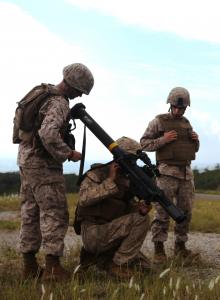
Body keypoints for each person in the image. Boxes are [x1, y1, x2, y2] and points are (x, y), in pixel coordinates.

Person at [16, 63, 94, 280]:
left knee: (30, 213)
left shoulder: (43, 93)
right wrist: (68, 153)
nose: (79, 96)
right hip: (43, 165)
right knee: (55, 213)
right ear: (73, 85)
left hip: (26, 159)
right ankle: (52, 267)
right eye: (80, 91)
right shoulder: (59, 103)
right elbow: (48, 133)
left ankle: (29, 267)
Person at [75, 137, 152, 278]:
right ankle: (118, 265)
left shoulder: (127, 180)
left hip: (111, 234)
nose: (133, 163)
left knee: (145, 268)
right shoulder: (97, 174)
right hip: (93, 233)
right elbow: (84, 200)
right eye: (130, 159)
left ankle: (99, 259)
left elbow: (122, 209)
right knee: (142, 220)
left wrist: (138, 209)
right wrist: (110, 180)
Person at [140, 87, 200, 263]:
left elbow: (192, 149)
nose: (177, 111)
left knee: (186, 213)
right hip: (166, 174)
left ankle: (180, 247)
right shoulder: (158, 122)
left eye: (181, 108)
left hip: (186, 175)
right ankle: (159, 249)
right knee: (163, 212)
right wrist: (163, 140)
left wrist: (196, 141)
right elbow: (143, 144)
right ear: (170, 105)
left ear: (186, 108)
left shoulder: (187, 123)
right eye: (174, 107)